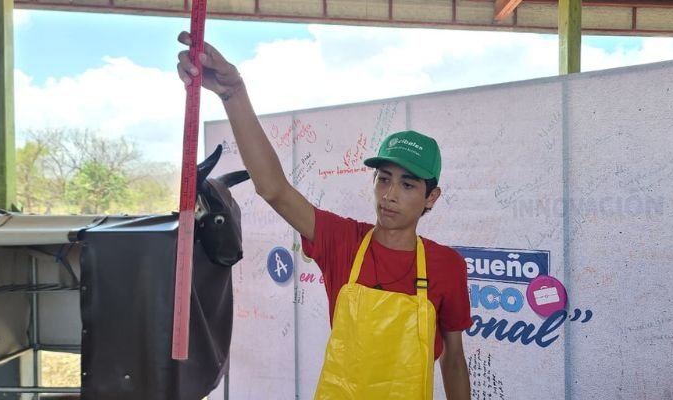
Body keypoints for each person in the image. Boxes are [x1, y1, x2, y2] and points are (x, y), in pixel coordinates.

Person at [177, 31, 472, 400]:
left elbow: (454, 360)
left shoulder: (447, 266)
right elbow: (273, 189)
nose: (390, 195)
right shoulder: (342, 241)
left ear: (432, 197)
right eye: (384, 179)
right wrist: (233, 94)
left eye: (408, 185)